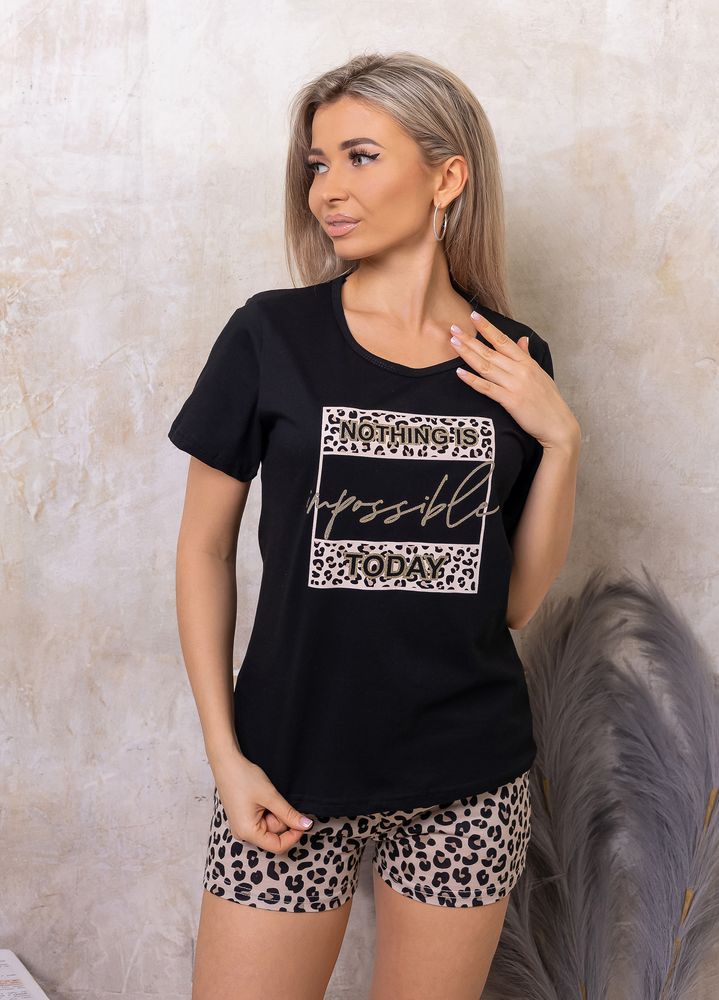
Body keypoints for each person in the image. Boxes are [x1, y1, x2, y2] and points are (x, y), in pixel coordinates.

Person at [168, 51, 580, 1000]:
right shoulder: (270, 335)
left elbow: (512, 603)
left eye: (359, 157)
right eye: (318, 164)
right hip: (286, 766)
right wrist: (227, 759)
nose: (326, 190)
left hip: (468, 777)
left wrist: (561, 439)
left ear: (447, 177)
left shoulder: (514, 360)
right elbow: (202, 550)